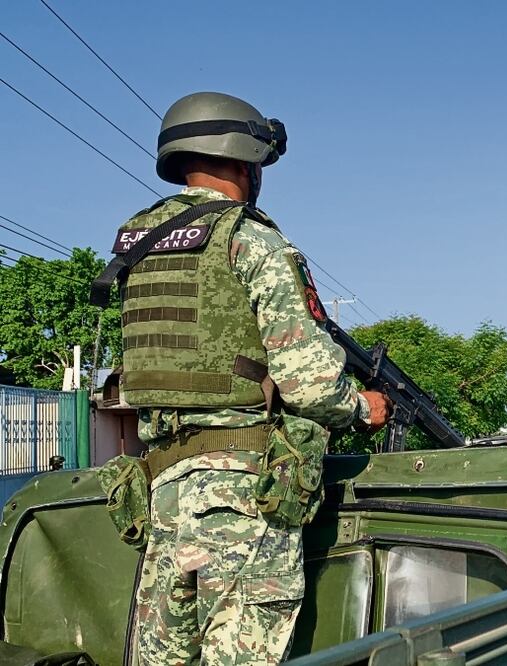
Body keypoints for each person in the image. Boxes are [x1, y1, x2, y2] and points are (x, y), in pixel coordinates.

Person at [109, 92, 390, 665]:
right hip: (241, 495)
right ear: (243, 160)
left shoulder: (136, 243)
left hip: (160, 490)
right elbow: (308, 385)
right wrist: (362, 407)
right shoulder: (250, 238)